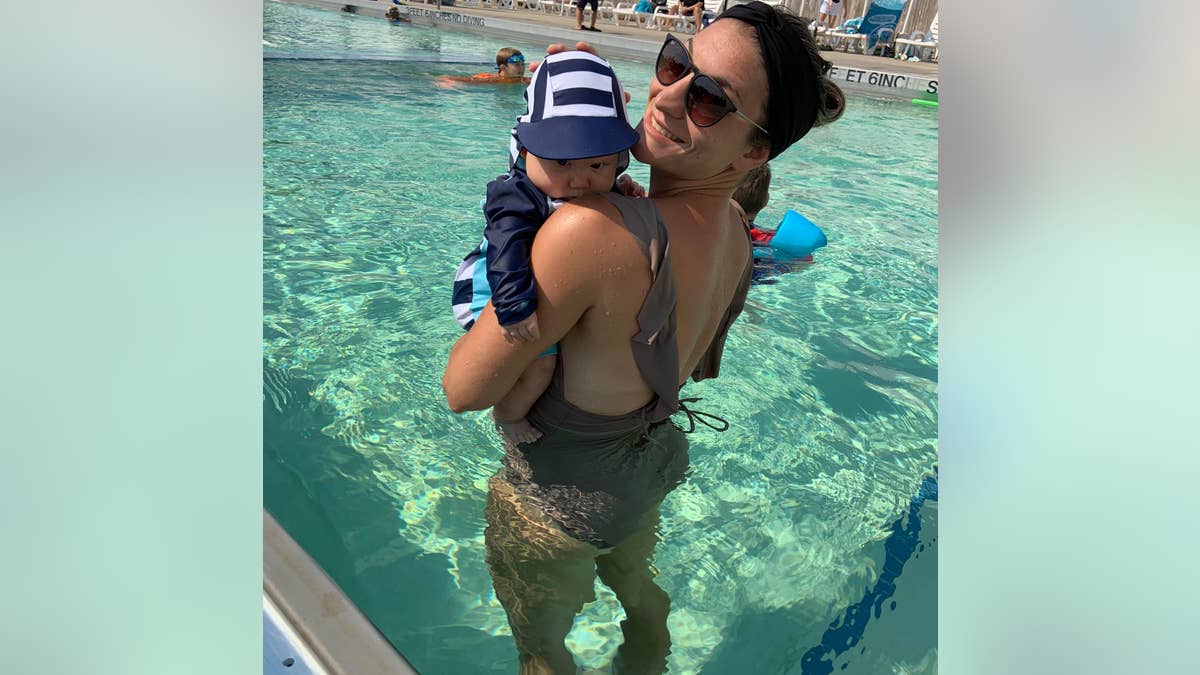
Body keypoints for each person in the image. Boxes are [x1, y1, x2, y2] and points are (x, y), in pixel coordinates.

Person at [443, 4, 845, 673]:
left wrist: (545, 150)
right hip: (648, 467)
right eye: (676, 63)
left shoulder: (593, 232)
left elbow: (463, 388)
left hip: (560, 495)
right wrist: (564, 106)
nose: (669, 95)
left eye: (711, 99)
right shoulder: (737, 242)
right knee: (643, 608)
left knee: (540, 652)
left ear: (754, 150)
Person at [451, 50, 640, 450]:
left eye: (598, 166)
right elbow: (504, 248)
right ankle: (508, 417)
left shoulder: (590, 186)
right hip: (502, 285)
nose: (579, 181)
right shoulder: (517, 196)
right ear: (525, 151)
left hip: (539, 283)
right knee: (540, 366)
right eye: (563, 161)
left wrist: (623, 193)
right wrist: (515, 306)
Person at [434, 47, 529, 87]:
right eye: (517, 65)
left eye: (522, 64)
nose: (522, 68)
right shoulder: (491, 79)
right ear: (503, 67)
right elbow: (467, 80)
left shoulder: (523, 80)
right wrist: (449, 81)